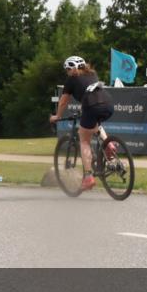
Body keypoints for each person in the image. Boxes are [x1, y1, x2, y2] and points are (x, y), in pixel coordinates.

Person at [49, 55, 115, 191]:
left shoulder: (71, 79)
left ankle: (88, 177)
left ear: (71, 68)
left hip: (91, 106)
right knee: (95, 123)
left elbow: (63, 101)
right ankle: (108, 143)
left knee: (84, 140)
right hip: (108, 104)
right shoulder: (92, 73)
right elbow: (89, 92)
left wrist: (57, 116)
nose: (67, 72)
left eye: (67, 69)